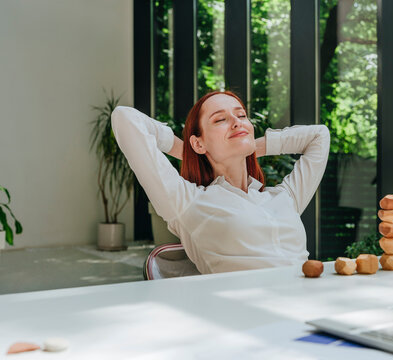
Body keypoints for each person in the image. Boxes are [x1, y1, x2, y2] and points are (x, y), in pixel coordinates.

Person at [111, 90, 330, 274]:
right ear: (198, 143)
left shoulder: (284, 197)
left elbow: (320, 135)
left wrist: (251, 147)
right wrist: (189, 152)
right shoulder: (188, 203)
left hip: (307, 302)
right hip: (252, 316)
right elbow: (125, 118)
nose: (236, 122)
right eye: (220, 119)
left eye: (242, 116)